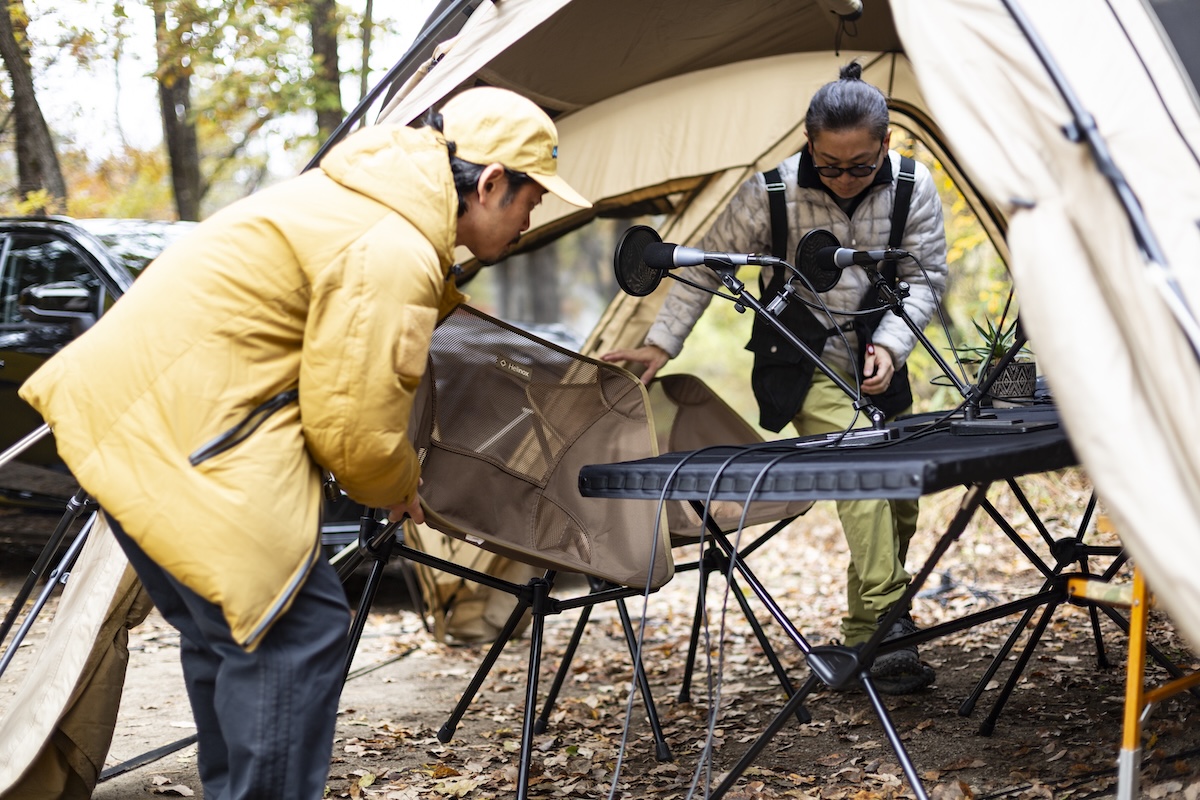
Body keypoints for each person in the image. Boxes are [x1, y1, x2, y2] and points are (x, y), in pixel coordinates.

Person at [18, 86, 591, 799]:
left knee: (231, 631)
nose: (535, 218)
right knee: (299, 629)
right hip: (193, 440)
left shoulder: (358, 203)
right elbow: (351, 426)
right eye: (534, 198)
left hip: (127, 425)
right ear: (492, 182)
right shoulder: (393, 244)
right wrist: (397, 484)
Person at [603, 62, 948, 694]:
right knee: (860, 468)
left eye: (860, 166)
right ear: (809, 145)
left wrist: (894, 347)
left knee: (900, 496)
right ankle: (890, 627)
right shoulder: (772, 193)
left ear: (887, 143)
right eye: (829, 165)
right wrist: (660, 344)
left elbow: (926, 275)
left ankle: (865, 627)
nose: (843, 179)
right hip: (799, 354)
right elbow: (704, 268)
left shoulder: (911, 187)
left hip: (879, 348)